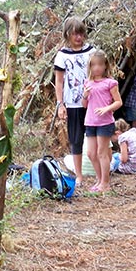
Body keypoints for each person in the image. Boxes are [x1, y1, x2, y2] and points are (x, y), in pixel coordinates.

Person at [54, 17, 96, 187]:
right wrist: (60, 104)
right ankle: (79, 175)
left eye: (81, 33)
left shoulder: (91, 52)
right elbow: (59, 81)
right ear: (68, 35)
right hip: (72, 103)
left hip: (93, 101)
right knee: (76, 139)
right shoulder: (62, 55)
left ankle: (100, 171)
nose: (78, 37)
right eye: (74, 34)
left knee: (96, 136)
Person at [82, 50, 122, 192]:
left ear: (105, 66)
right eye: (93, 65)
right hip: (90, 121)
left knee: (102, 152)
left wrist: (107, 108)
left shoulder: (110, 83)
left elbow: (118, 102)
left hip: (105, 122)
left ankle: (105, 183)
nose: (96, 68)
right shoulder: (88, 82)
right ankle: (99, 180)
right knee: (90, 153)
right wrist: (85, 95)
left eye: (99, 65)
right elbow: (84, 105)